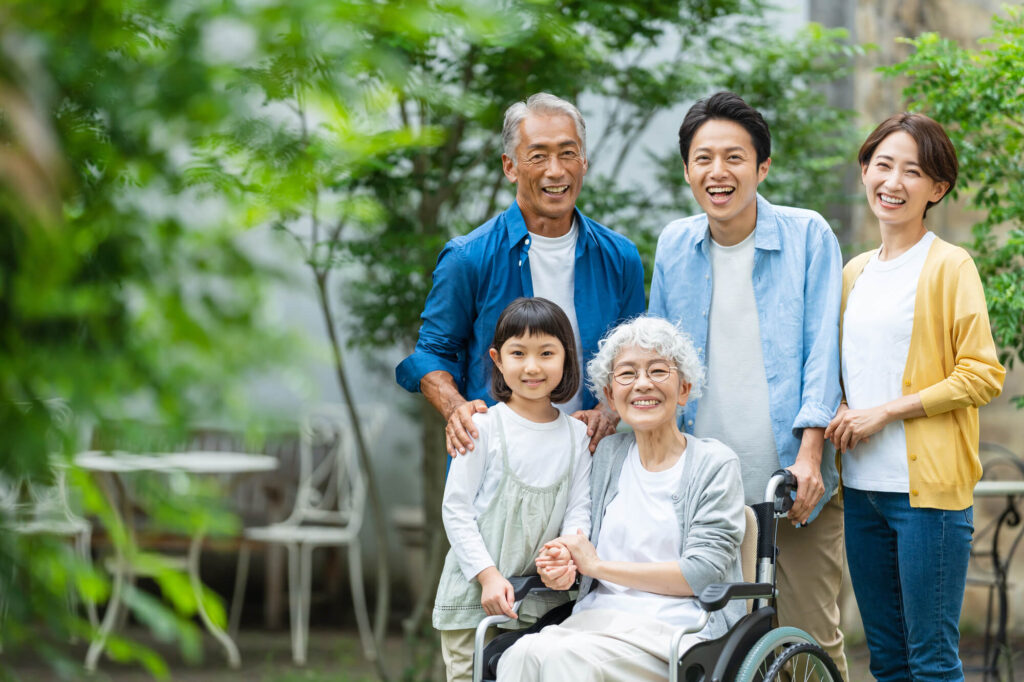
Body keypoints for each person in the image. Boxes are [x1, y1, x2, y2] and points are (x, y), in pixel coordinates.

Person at [648, 91, 847, 677]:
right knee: (714, 649)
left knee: (808, 638)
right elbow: (660, 364)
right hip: (704, 488)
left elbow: (822, 353)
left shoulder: (808, 235)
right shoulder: (673, 246)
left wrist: (811, 454)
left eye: (734, 157)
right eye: (703, 158)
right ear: (687, 170)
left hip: (793, 481)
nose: (718, 172)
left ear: (762, 167)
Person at [825, 113, 1005, 681]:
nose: (893, 182)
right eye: (883, 165)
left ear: (937, 189)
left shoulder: (950, 265)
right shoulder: (854, 272)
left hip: (926, 500)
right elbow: (844, 373)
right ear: (865, 171)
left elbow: (982, 373)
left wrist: (886, 411)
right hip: (862, 491)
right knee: (887, 660)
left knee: (931, 661)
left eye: (913, 171)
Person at [395, 93, 645, 457]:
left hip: (591, 463)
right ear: (510, 166)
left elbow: (634, 359)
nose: (556, 170)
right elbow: (432, 354)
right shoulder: (468, 257)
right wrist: (455, 408)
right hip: (496, 463)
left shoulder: (620, 257)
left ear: (584, 162)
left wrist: (608, 413)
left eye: (567, 153)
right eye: (539, 155)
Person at [496, 316, 745, 681]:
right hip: (595, 621)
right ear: (611, 396)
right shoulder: (608, 455)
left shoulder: (714, 462)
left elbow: (701, 574)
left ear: (685, 389)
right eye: (626, 374)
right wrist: (562, 561)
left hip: (677, 631)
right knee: (520, 655)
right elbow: (582, 534)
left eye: (658, 371)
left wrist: (596, 567)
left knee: (564, 660)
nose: (642, 384)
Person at [432, 297, 593, 682]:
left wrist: (565, 554)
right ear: (498, 359)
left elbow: (578, 509)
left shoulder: (577, 435)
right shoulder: (483, 427)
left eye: (547, 353)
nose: (532, 366)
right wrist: (487, 575)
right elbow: (456, 509)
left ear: (567, 358)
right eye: (518, 353)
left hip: (542, 601)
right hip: (475, 601)